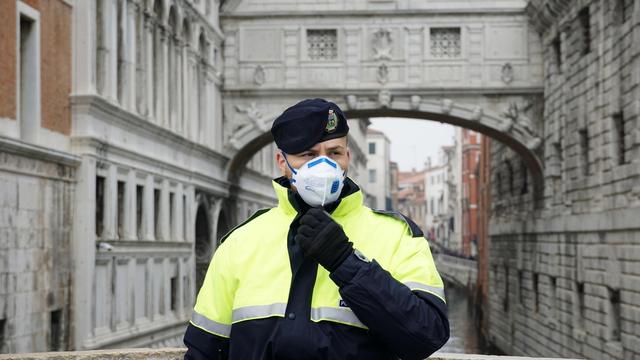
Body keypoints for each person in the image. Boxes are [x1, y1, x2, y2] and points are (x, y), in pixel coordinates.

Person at [183, 98, 450, 360]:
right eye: (307, 154)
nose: (323, 166)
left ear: (348, 156)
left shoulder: (396, 236)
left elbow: (426, 337)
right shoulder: (240, 242)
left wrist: (346, 262)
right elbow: (204, 349)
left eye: (334, 153)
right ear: (282, 161)